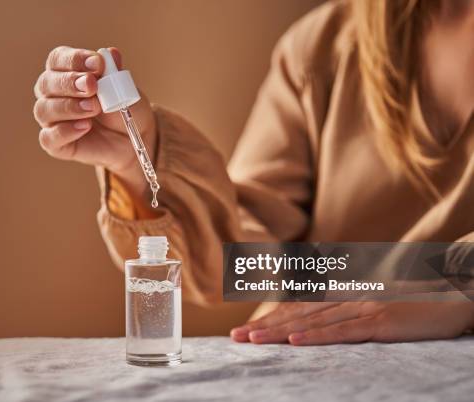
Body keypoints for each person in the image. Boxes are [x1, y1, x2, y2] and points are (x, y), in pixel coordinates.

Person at [33, 0, 474, 345]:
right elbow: (241, 262)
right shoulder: (326, 46)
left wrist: (456, 288)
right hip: (312, 372)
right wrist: (139, 159)